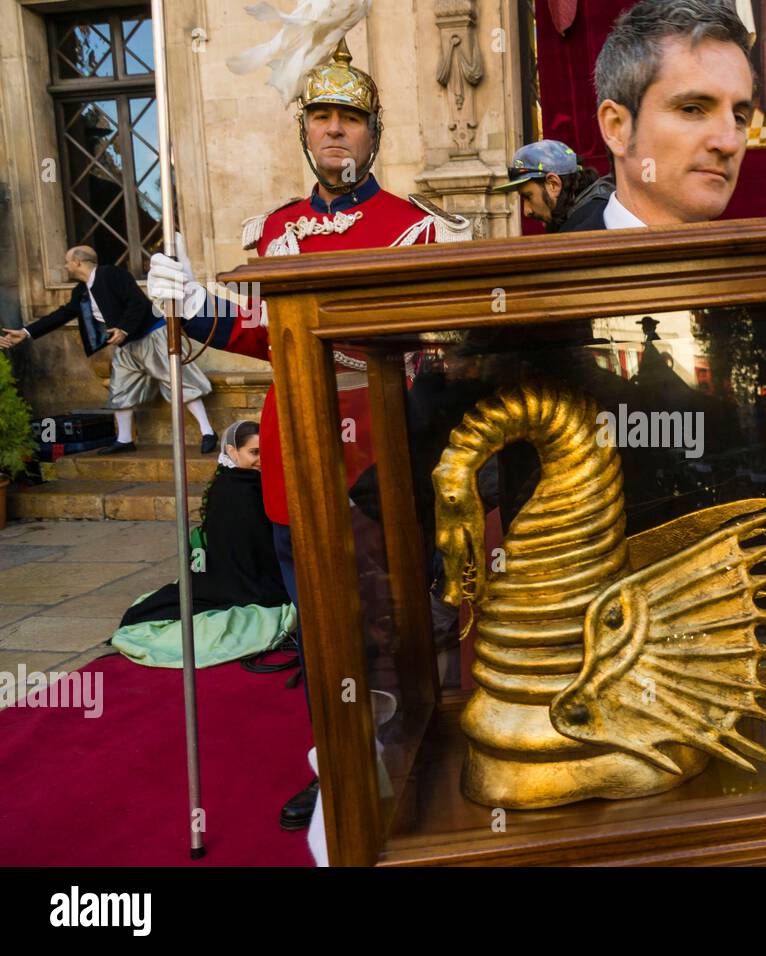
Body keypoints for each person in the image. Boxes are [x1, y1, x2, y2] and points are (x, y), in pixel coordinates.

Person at [147, 19, 467, 832]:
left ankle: (410, 758)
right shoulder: (274, 230)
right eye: (320, 116)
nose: (334, 128)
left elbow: (434, 347)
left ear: (373, 133)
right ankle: (341, 766)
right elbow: (256, 333)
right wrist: (192, 306)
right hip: (294, 462)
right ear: (303, 131)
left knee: (394, 629)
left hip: (378, 467)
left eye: (349, 118)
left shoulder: (414, 229)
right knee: (320, 639)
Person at [560, 0, 755, 234]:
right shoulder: (560, 267)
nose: (729, 143)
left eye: (739, 117)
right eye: (692, 109)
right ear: (617, 127)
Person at [110, 421, 294, 666]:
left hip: (224, 571)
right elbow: (262, 547)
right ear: (231, 451)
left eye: (265, 452)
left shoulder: (227, 480)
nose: (261, 460)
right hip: (248, 582)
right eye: (254, 453)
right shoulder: (246, 489)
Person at [0, 246, 216, 455]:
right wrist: (25, 332)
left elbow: (138, 303)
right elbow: (62, 314)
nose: (65, 267)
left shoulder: (112, 274)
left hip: (151, 335)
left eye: (67, 262)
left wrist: (123, 328)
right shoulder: (81, 291)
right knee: (120, 389)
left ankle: (207, 432)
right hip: (125, 345)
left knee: (178, 381)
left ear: (77, 262)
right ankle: (124, 439)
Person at [492, 139, 613, 232]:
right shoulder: (604, 207)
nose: (526, 211)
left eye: (528, 197)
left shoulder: (579, 234)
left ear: (553, 184)